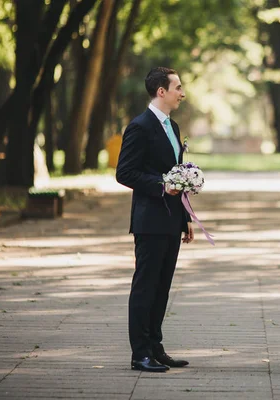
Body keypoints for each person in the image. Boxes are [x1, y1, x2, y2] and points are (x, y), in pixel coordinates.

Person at [116, 67, 194, 372]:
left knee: (163, 287)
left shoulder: (172, 127)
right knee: (146, 286)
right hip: (149, 221)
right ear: (161, 91)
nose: (182, 93)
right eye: (177, 87)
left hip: (171, 220)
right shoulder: (140, 126)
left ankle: (156, 347)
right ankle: (140, 354)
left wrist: (185, 217)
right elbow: (125, 173)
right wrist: (162, 186)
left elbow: (177, 173)